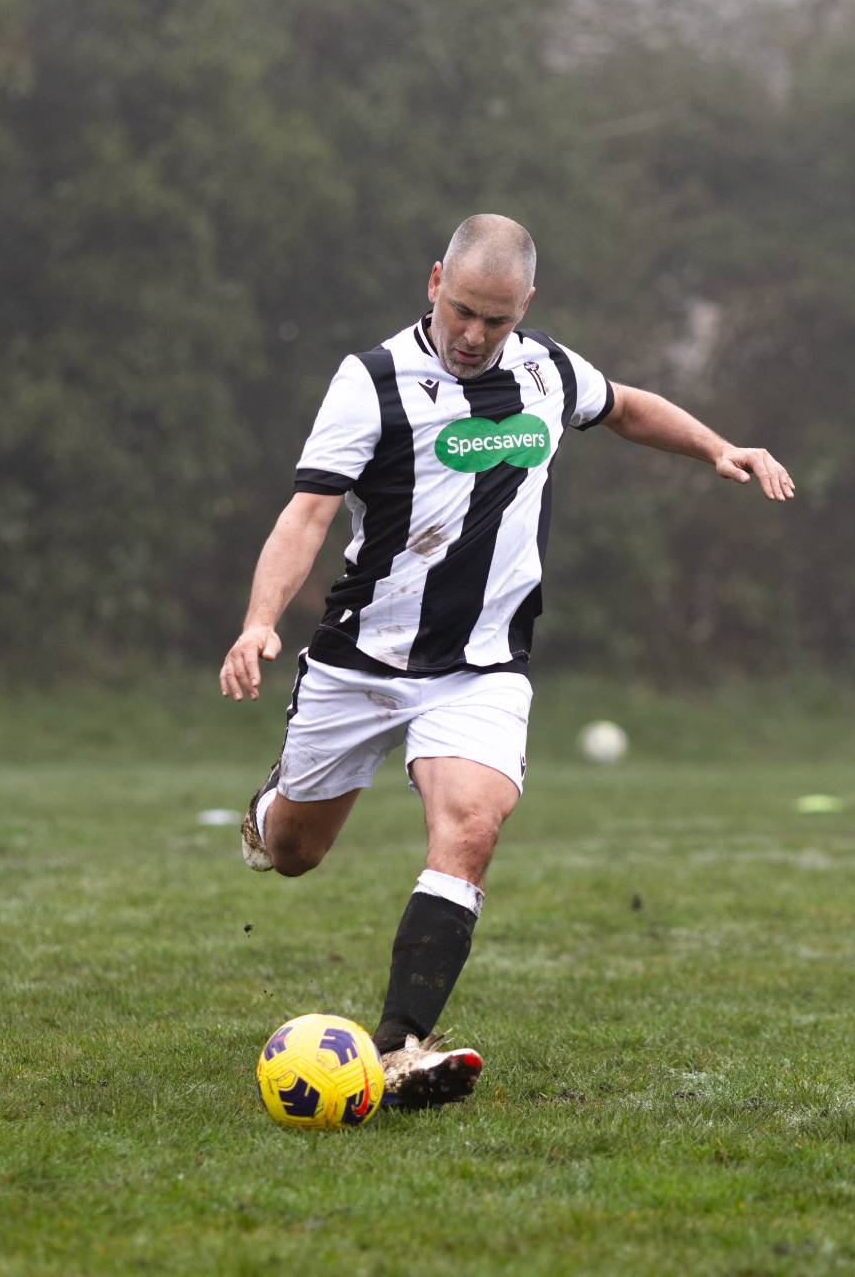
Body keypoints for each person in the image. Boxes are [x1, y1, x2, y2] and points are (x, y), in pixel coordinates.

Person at [218, 214, 792, 1109]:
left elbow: (628, 405)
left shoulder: (548, 369)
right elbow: (308, 514)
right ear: (434, 281)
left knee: (473, 827)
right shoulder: (370, 382)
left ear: (526, 305)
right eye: (462, 312)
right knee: (293, 853)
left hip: (482, 667)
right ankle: (272, 805)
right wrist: (260, 621)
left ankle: (403, 1045)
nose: (476, 336)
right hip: (362, 658)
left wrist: (718, 445)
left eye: (496, 319)